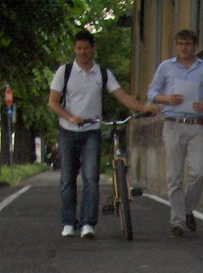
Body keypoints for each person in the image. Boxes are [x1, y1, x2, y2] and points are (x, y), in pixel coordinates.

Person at [47, 29, 156, 239]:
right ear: (74, 49)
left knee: (90, 178)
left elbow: (121, 95)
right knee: (67, 180)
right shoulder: (65, 72)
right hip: (68, 132)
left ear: (93, 49)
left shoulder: (102, 73)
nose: (82, 52)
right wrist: (70, 117)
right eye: (78, 48)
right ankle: (69, 222)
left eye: (86, 48)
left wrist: (143, 108)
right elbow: (52, 102)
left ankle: (88, 223)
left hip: (91, 132)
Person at [146, 29, 203, 237]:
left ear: (195, 46)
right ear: (176, 45)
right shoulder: (166, 67)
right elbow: (151, 93)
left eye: (187, 44)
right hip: (172, 123)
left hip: (196, 123)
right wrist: (167, 99)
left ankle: (187, 209)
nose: (183, 48)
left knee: (199, 172)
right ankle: (177, 222)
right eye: (180, 44)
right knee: (175, 175)